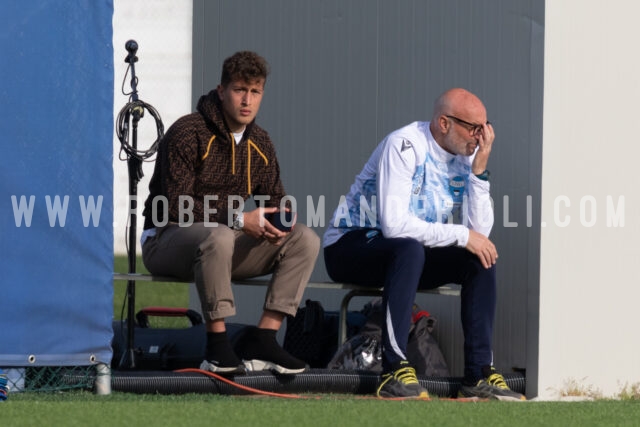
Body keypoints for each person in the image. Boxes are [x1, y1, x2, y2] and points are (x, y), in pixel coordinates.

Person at [323, 88, 525, 400]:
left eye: (486, 128)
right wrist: (461, 236)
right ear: (444, 123)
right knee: (408, 247)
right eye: (474, 128)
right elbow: (394, 226)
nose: (481, 137)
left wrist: (479, 172)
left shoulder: (468, 155)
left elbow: (478, 234)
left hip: (407, 253)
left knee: (480, 259)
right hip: (351, 245)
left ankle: (479, 373)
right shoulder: (405, 145)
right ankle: (394, 370)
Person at [141, 51, 320, 375]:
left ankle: (264, 339)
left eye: (255, 92)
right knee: (220, 234)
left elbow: (277, 201)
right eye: (240, 90)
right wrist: (240, 220)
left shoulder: (261, 142)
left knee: (305, 239)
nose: (247, 100)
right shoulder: (188, 131)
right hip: (165, 240)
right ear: (222, 91)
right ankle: (217, 347)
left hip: (220, 245)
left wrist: (279, 221)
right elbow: (176, 206)